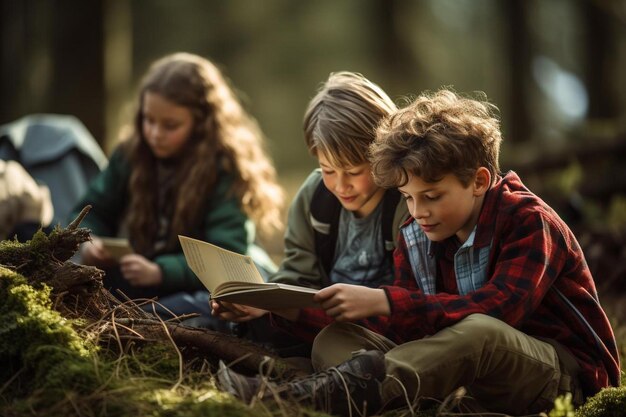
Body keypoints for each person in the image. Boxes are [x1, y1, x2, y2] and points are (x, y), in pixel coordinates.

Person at [218, 89, 621, 416]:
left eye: (431, 196)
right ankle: (402, 397)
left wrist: (386, 301)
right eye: (408, 198)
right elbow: (408, 329)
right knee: (333, 339)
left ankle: (303, 397)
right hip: (464, 377)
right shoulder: (419, 231)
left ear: (479, 180)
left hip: (559, 378)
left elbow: (498, 312)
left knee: (480, 332)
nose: (417, 212)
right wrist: (279, 309)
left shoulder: (529, 222)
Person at [70, 52, 284, 320]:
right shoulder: (131, 154)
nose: (156, 134)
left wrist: (161, 271)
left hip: (198, 289)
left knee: (210, 312)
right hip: (137, 279)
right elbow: (91, 211)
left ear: (202, 122)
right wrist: (91, 245)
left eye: (171, 125)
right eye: (149, 120)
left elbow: (226, 255)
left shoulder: (226, 167)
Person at [211, 71, 409, 356]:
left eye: (354, 171)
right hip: (318, 321)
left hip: (381, 328)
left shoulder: (405, 202)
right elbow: (296, 276)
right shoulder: (315, 196)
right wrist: (256, 303)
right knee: (252, 325)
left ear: (384, 155)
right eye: (328, 170)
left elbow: (410, 299)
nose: (340, 185)